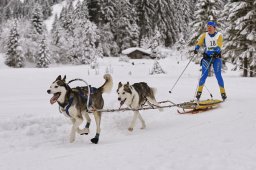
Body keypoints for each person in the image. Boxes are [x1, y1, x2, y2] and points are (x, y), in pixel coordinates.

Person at [194, 21, 227, 101]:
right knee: (203, 75)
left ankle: (223, 94)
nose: (209, 28)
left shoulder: (219, 35)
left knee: (218, 75)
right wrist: (197, 48)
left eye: (210, 27)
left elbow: (219, 45)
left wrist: (217, 51)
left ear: (214, 28)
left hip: (216, 58)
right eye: (208, 27)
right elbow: (199, 42)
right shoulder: (204, 35)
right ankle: (198, 94)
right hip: (207, 58)